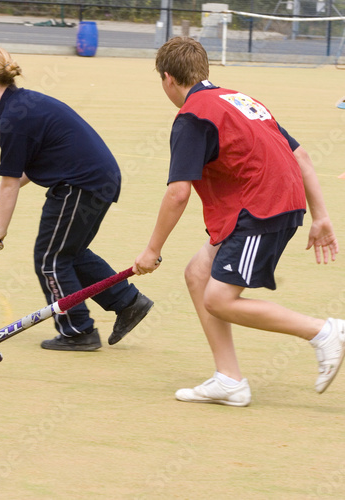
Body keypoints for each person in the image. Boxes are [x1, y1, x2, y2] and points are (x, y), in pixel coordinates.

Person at [133, 37, 345, 406]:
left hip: (262, 210)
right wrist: (320, 217)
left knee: (219, 299)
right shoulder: (243, 100)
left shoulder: (191, 116)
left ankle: (325, 332)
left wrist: (152, 250)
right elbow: (303, 156)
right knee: (198, 274)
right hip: (266, 204)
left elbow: (178, 193)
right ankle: (229, 379)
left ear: (168, 78)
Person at [0, 46, 153, 351]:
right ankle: (128, 302)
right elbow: (35, 160)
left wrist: (0, 229)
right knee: (70, 252)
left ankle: (78, 330)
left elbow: (12, 181)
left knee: (50, 258)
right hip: (100, 178)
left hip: (80, 184)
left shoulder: (13, 118)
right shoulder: (23, 103)